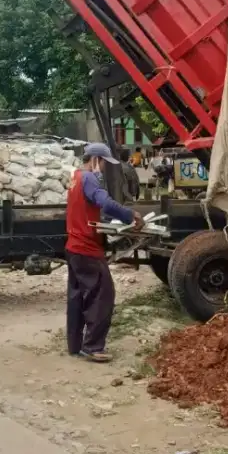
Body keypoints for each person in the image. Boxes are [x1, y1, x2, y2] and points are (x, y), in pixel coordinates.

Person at [65, 142, 143, 362]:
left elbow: (86, 208)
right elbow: (105, 202)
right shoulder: (90, 178)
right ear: (95, 160)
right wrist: (130, 215)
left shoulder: (76, 177)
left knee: (78, 297)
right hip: (87, 248)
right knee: (103, 296)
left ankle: (75, 345)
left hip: (73, 247)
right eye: (105, 164)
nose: (106, 169)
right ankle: (93, 347)